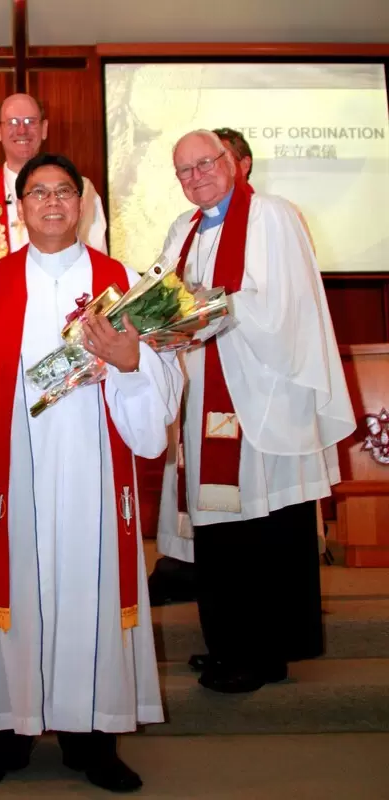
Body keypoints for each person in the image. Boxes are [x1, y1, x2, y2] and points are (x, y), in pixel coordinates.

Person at [0, 153, 182, 793]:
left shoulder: (124, 280)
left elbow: (162, 379)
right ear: (18, 207)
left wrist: (133, 358)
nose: (51, 202)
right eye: (37, 193)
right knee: (16, 595)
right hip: (16, 466)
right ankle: (3, 735)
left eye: (63, 192)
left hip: (93, 461)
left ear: (82, 204)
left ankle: (95, 738)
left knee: (92, 589)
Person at [160, 129, 355, 694]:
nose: (197, 177)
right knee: (220, 527)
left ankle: (267, 650)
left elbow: (284, 305)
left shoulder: (272, 216)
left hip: (264, 392)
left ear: (233, 163)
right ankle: (228, 644)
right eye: (185, 171)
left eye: (206, 163)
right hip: (208, 393)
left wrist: (206, 305)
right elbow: (167, 295)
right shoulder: (183, 229)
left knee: (267, 524)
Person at [0, 94, 107, 273]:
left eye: (31, 121)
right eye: (13, 122)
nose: (22, 130)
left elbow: (96, 257)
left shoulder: (81, 191)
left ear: (44, 128)